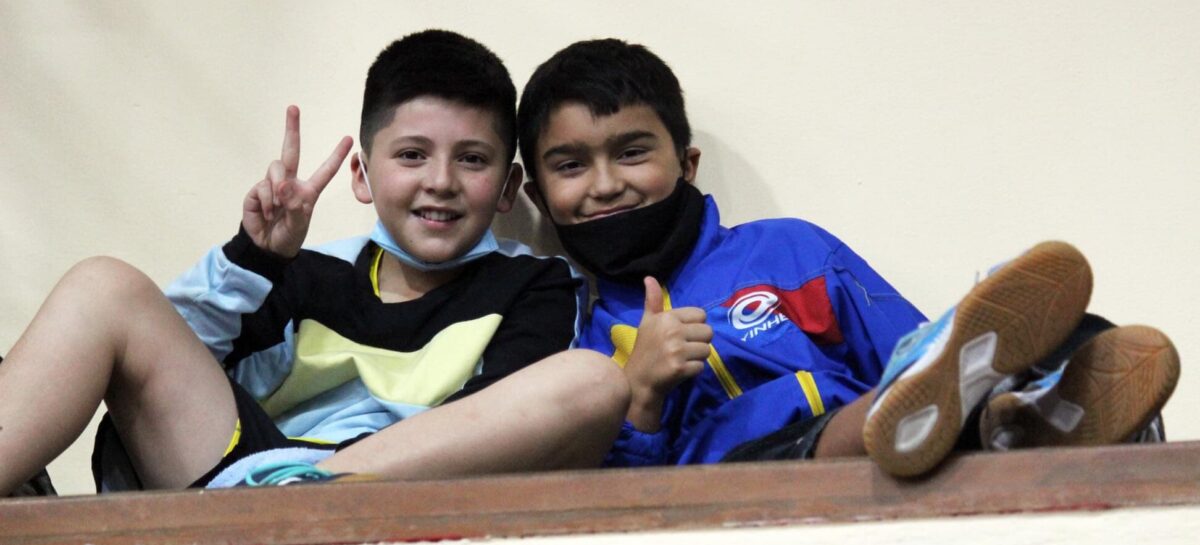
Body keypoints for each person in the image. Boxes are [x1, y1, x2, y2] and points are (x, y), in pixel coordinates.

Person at [0, 30, 629, 496]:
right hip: (243, 488)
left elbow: (502, 422)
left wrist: (327, 485)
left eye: (472, 159)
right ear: (361, 174)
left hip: (406, 495)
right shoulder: (303, 270)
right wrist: (254, 259)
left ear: (508, 187)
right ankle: (290, 500)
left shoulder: (538, 283)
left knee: (595, 380)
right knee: (104, 287)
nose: (441, 181)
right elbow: (153, 366)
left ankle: (312, 496)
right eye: (412, 155)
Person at [514, 38, 1179, 477]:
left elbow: (912, 355)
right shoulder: (575, 342)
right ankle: (1011, 418)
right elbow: (618, 501)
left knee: (1068, 333)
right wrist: (644, 395)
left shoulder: (792, 251)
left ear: (687, 164)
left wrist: (945, 352)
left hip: (885, 464)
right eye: (571, 165)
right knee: (863, 417)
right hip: (746, 488)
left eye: (632, 152)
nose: (605, 184)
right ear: (541, 196)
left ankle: (1023, 409)